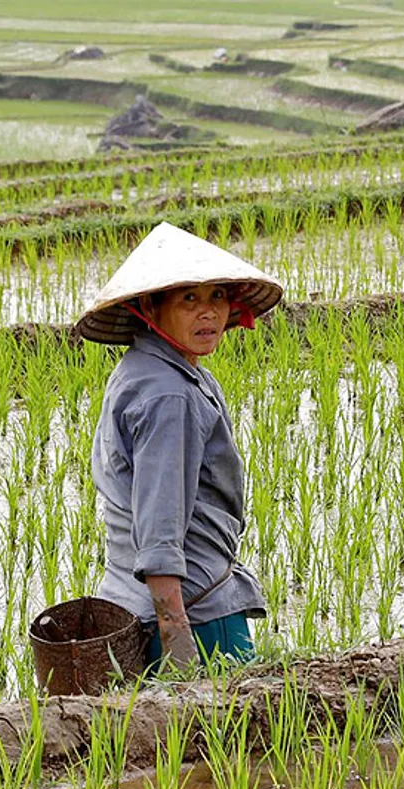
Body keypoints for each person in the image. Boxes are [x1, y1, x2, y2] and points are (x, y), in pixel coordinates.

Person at [75, 223, 282, 671]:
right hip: (194, 612)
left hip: (140, 601)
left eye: (217, 297)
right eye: (189, 299)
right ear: (150, 306)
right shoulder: (169, 394)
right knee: (236, 738)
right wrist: (176, 633)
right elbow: (159, 521)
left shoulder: (150, 370)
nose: (208, 313)